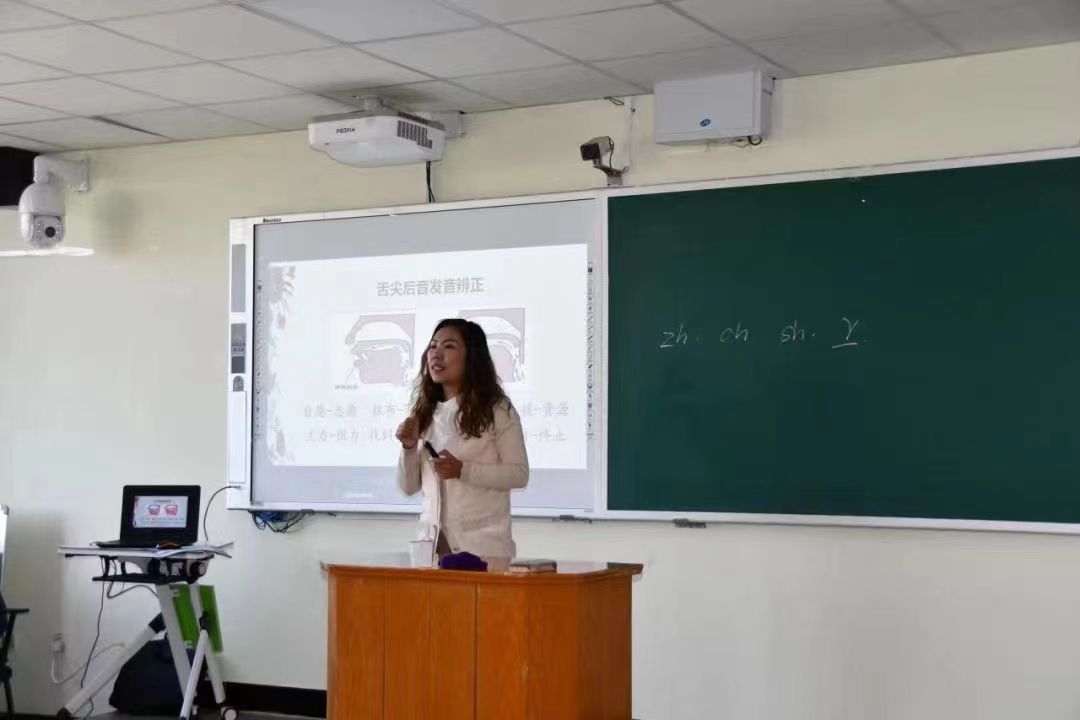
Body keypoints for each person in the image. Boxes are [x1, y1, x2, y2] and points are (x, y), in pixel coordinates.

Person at [395, 319, 529, 558]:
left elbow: (519, 474)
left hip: (483, 549)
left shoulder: (497, 410)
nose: (436, 354)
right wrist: (408, 447)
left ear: (471, 357)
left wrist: (463, 470)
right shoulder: (424, 412)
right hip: (430, 548)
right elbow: (409, 487)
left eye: (449, 346)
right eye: (433, 346)